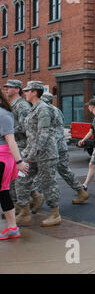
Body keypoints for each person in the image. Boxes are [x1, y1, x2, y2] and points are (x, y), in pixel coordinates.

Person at [20, 81, 61, 227]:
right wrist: (27, 153)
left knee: (48, 184)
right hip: (32, 153)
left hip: (46, 154)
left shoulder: (43, 108)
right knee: (21, 179)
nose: (25, 93)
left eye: (28, 91)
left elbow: (43, 134)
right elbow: (30, 134)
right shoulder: (32, 109)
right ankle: (24, 212)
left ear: (35, 92)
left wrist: (31, 154)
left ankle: (55, 214)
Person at [3, 80, 44, 214]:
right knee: (12, 178)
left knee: (18, 177)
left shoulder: (22, 106)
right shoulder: (10, 105)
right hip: (11, 144)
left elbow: (26, 126)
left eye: (9, 87)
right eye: (6, 87)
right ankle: (17, 205)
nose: (6, 89)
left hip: (21, 144)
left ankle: (32, 199)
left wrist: (7, 130)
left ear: (17, 89)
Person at [41, 93, 89, 204]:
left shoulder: (46, 110)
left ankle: (36, 198)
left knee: (45, 172)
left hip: (53, 146)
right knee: (64, 170)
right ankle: (81, 191)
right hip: (61, 144)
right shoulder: (57, 110)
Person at [0, 89, 29, 239]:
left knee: (3, 192)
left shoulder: (4, 115)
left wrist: (19, 162)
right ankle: (13, 228)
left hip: (3, 157)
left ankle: (13, 228)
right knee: (3, 193)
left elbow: (11, 140)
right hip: (4, 157)